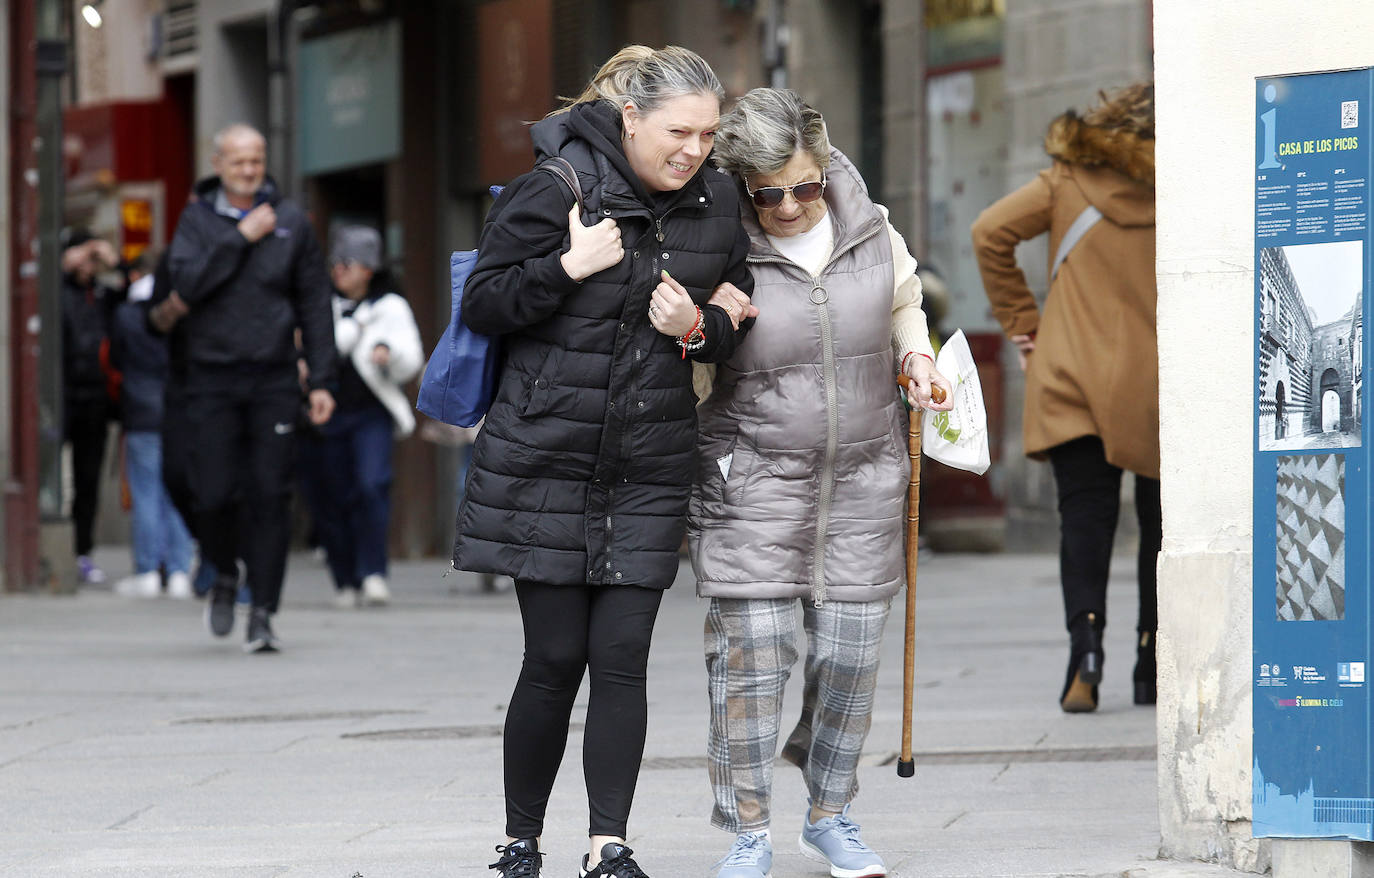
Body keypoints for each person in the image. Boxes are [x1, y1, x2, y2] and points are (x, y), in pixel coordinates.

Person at [452, 45, 754, 878]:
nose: (694, 149)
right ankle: (520, 841)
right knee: (552, 659)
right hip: (544, 458)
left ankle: (608, 844)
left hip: (650, 461)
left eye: (706, 133)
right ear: (631, 120)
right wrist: (564, 267)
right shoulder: (556, 189)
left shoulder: (718, 202)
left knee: (621, 659)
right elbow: (485, 301)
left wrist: (696, 327)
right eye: (678, 132)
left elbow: (734, 315)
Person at [686, 88, 955, 878]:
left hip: (866, 475)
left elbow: (905, 300)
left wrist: (918, 356)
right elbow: (696, 354)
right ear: (741, 184)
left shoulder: (870, 229)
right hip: (753, 476)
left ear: (824, 163)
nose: (789, 206)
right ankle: (748, 831)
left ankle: (830, 816)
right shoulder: (719, 239)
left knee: (847, 660)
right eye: (766, 193)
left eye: (803, 186)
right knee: (753, 656)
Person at [970, 82, 1158, 713]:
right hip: (1160, 381)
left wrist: (1025, 325)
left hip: (1072, 374)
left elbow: (989, 231)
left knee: (1083, 519)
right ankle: (1151, 658)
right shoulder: (1183, 182)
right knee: (1163, 526)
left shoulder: (1065, 181)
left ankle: (1086, 652)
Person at [167, 123, 337, 652]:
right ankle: (221, 570)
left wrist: (322, 379)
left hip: (273, 378)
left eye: (257, 159)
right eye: (238, 160)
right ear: (218, 163)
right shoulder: (196, 220)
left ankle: (262, 611)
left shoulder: (291, 222)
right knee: (212, 494)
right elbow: (186, 287)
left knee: (270, 495)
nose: (249, 169)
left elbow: (314, 303)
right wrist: (239, 239)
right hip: (212, 378)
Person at [316, 225, 422, 608]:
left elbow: (411, 358)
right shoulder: (319, 303)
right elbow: (325, 348)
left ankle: (373, 573)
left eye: (349, 263)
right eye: (335, 262)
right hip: (325, 415)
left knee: (371, 486)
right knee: (333, 498)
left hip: (371, 414)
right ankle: (345, 577)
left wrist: (387, 352)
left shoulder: (390, 306)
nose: (339, 270)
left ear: (369, 269)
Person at [109, 252, 195, 599]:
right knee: (176, 491)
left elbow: (115, 358)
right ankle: (178, 569)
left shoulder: (127, 315)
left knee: (147, 492)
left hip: (142, 409)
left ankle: (148, 568)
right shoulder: (183, 311)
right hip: (177, 408)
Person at [60, 229, 122, 586]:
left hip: (96, 400)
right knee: (54, 479)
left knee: (88, 479)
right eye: (81, 255)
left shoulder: (102, 295)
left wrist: (114, 260)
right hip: (60, 397)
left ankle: (83, 551)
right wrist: (64, 264)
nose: (88, 263)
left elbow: (138, 292)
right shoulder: (56, 290)